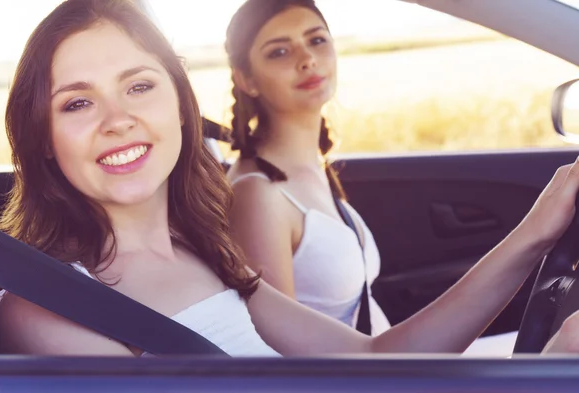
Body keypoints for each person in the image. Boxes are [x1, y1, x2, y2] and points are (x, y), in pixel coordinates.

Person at [0, 0, 579, 356]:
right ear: (41, 138)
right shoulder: (45, 307)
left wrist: (535, 233)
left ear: (179, 107)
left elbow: (376, 361)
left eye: (140, 87)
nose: (119, 121)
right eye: (76, 104)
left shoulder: (203, 253)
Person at [221, 0, 566, 355]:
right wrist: (536, 231)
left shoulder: (312, 167)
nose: (306, 58)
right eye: (279, 51)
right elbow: (279, 361)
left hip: (393, 360)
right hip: (378, 374)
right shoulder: (256, 195)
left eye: (317, 40)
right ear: (246, 79)